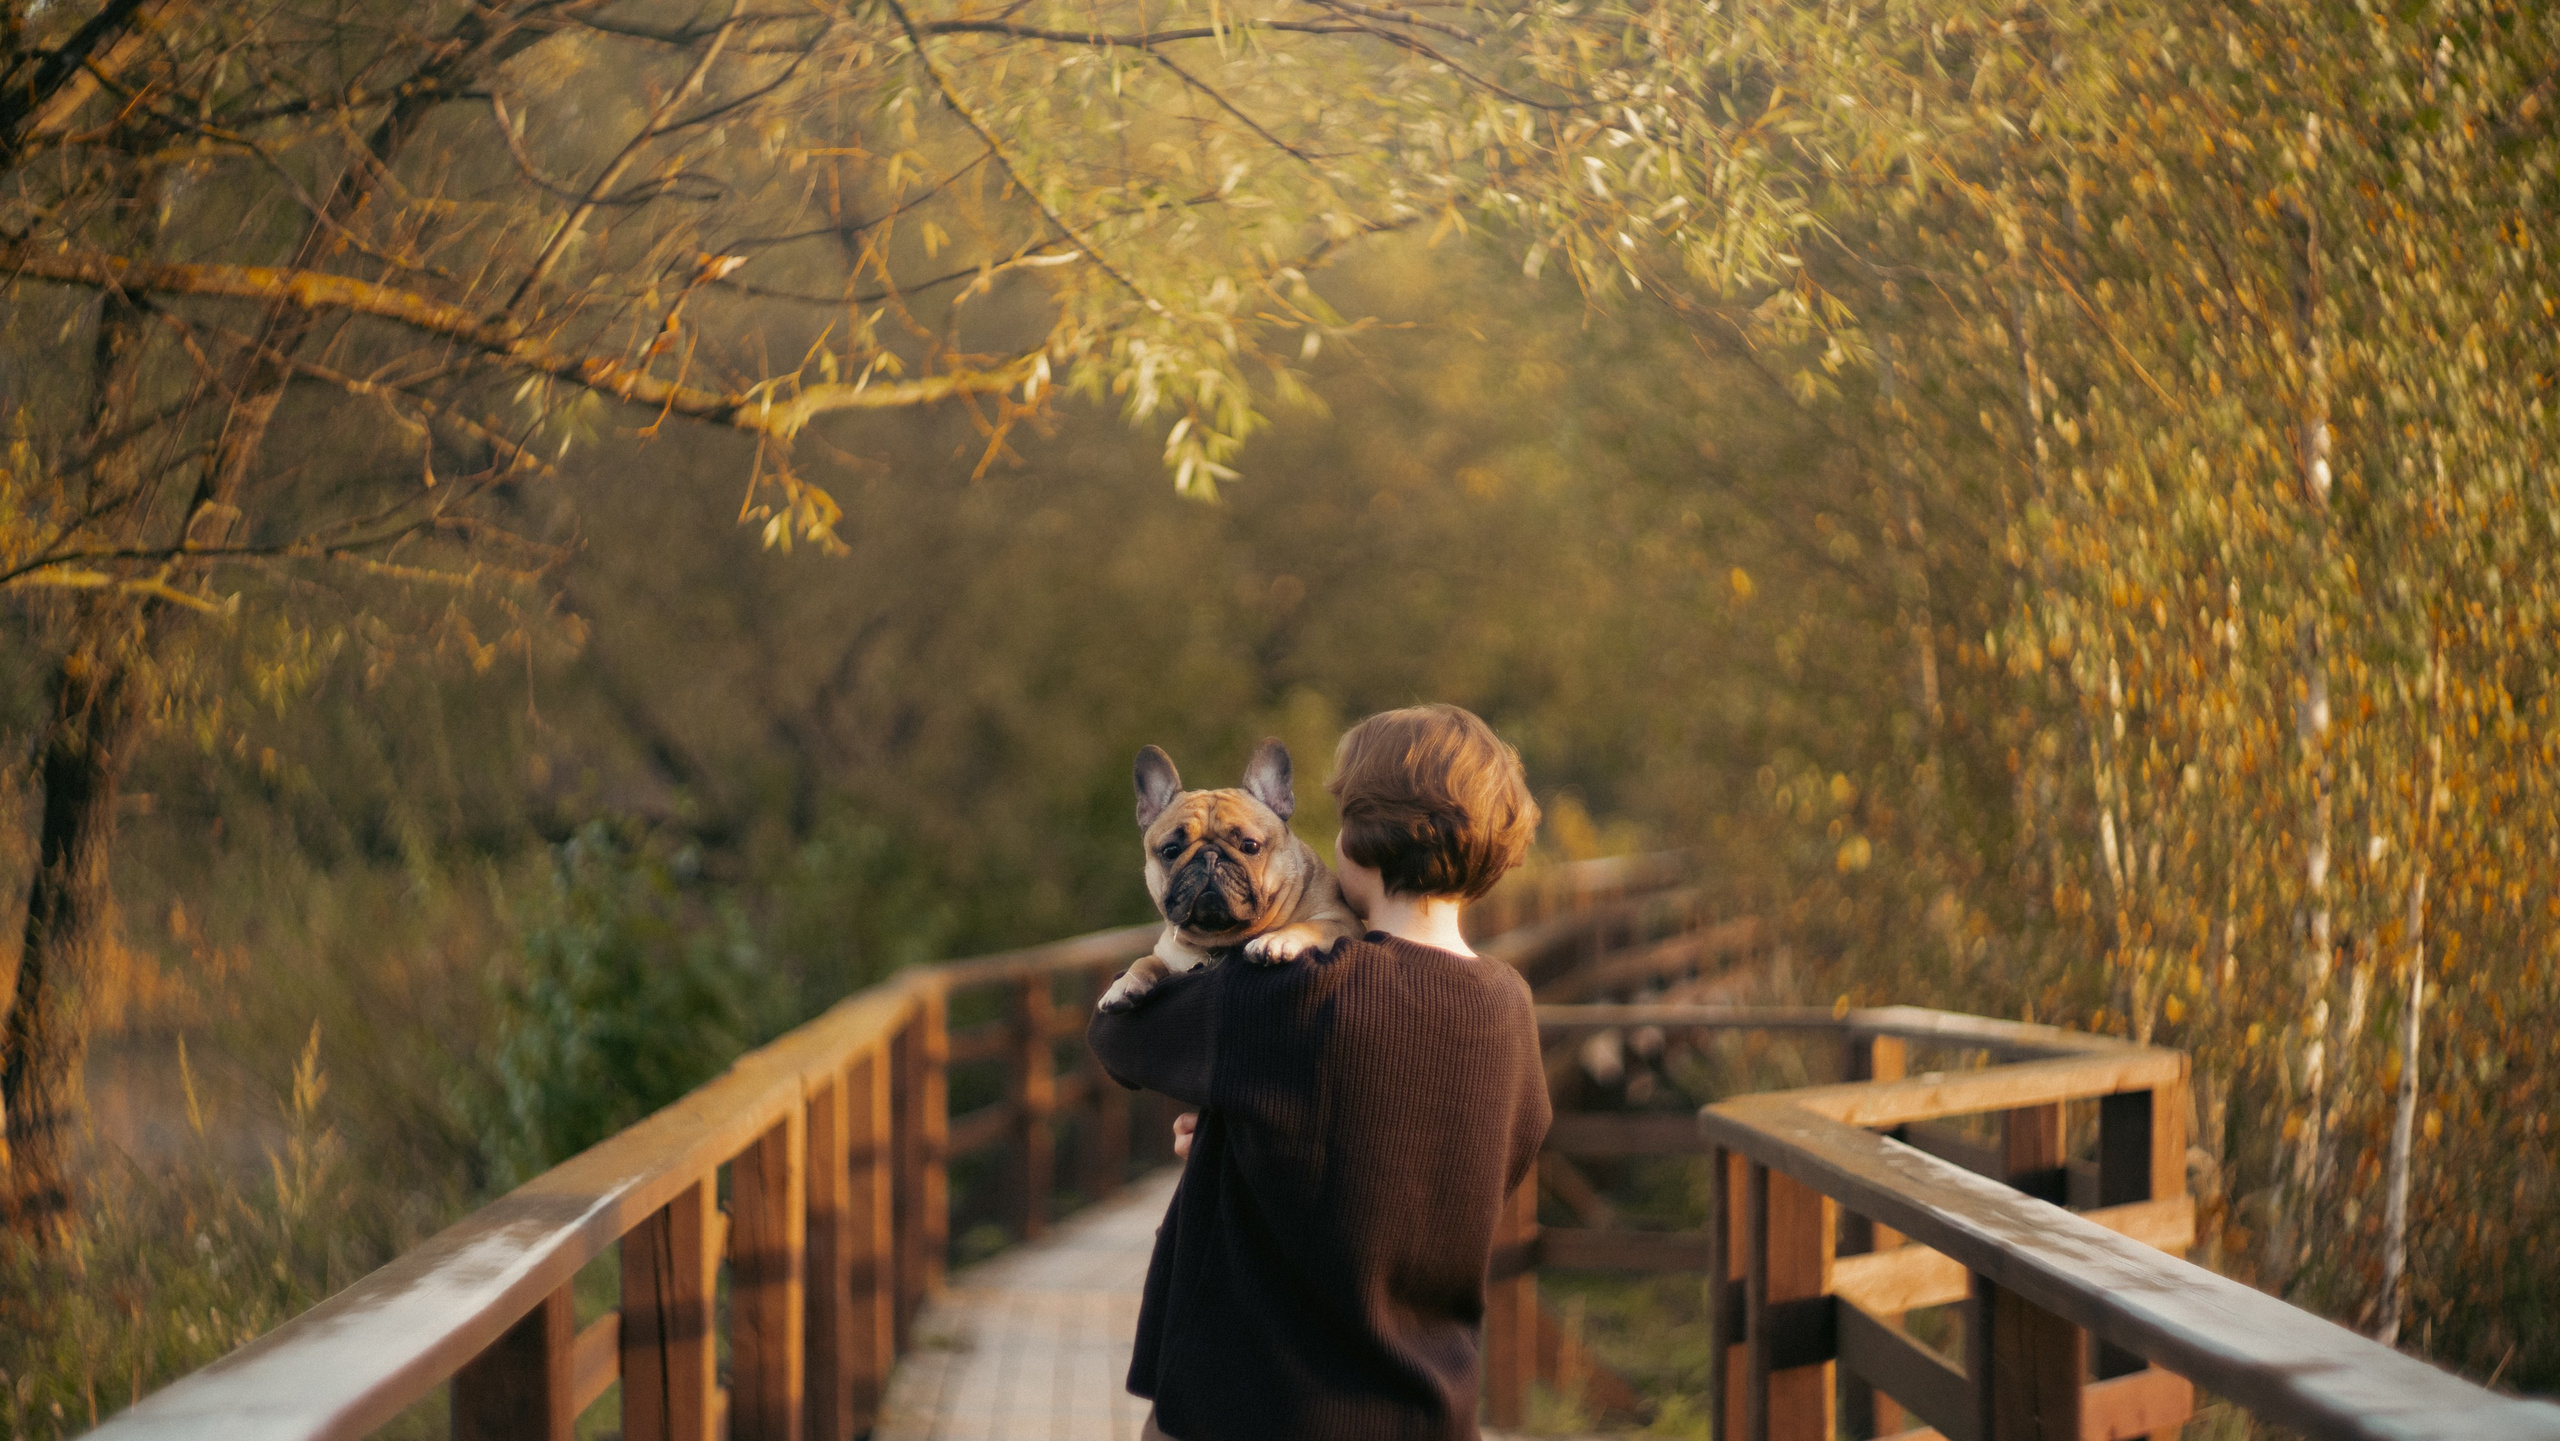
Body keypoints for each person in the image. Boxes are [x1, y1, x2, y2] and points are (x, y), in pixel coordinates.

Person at [1088, 703, 1552, 1441]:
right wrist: (1239, 1144)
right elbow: (1501, 1154)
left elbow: (1118, 1033)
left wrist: (1224, 1128)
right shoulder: (1511, 1006)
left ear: (1361, 840)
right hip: (1425, 1408)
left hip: (1251, 1403)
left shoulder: (1295, 991)